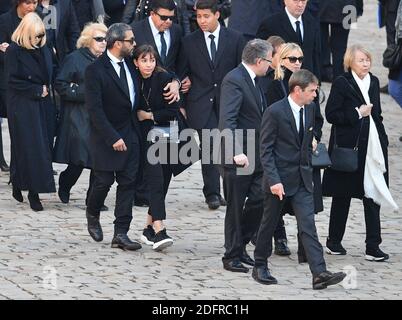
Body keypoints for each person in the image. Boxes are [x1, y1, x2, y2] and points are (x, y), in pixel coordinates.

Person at [255, 69, 346, 289]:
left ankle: (319, 273)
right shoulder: (274, 112)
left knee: (308, 226)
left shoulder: (310, 109)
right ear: (298, 90)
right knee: (268, 225)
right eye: (313, 91)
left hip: (302, 180)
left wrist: (311, 143)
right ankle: (260, 265)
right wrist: (274, 180)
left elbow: (306, 138)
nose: (316, 95)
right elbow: (265, 150)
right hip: (279, 181)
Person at [322, 45, 398, 261]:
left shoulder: (373, 81)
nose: (365, 64)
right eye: (361, 60)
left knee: (372, 196)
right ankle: (334, 242)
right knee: (342, 196)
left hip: (372, 148)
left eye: (367, 60)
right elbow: (331, 115)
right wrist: (357, 113)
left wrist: (382, 139)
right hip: (349, 149)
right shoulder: (342, 83)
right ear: (350, 63)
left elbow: (378, 115)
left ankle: (373, 246)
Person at [177, 0, 245, 210]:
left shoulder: (235, 39)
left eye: (206, 16)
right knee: (210, 145)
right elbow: (181, 72)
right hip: (200, 102)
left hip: (228, 101)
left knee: (229, 145)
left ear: (217, 15)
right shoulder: (189, 41)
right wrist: (182, 99)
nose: (202, 21)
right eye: (198, 17)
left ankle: (230, 191)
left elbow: (241, 70)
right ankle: (212, 193)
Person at [264, 42, 324, 261]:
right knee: (274, 207)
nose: (297, 63)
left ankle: (307, 250)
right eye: (292, 59)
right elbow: (270, 119)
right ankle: (275, 241)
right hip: (281, 153)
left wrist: (314, 135)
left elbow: (317, 116)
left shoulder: (308, 82)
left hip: (304, 155)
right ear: (281, 60)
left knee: (306, 207)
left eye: (300, 59)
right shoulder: (273, 85)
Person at [84, 23, 142, 250]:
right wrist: (112, 137)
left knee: (128, 183)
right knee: (103, 181)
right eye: (131, 40)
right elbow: (94, 110)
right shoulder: (95, 70)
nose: (134, 44)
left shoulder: (131, 64)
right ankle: (92, 211)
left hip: (131, 133)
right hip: (106, 136)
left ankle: (121, 232)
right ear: (118, 43)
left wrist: (175, 82)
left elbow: (158, 70)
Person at [219, 39, 272, 273]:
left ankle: (240, 245)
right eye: (270, 61)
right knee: (235, 206)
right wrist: (236, 152)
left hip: (256, 154)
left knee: (260, 198)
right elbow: (227, 120)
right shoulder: (235, 79)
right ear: (259, 61)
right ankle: (231, 255)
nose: (271, 65)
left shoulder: (254, 80)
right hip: (239, 155)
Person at [134, 44, 191, 251]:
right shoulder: (133, 79)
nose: (148, 65)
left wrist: (148, 115)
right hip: (147, 138)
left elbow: (173, 110)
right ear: (136, 62)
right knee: (156, 180)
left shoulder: (165, 79)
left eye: (152, 60)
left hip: (169, 134)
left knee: (163, 181)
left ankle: (147, 229)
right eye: (144, 60)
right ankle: (159, 230)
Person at [5, 12, 56, 211]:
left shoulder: (43, 48)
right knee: (29, 146)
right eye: (36, 35)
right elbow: (11, 80)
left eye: (41, 35)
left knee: (40, 144)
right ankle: (33, 191)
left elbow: (51, 70)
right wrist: (35, 90)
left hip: (42, 102)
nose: (39, 39)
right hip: (22, 103)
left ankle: (19, 181)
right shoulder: (14, 51)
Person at [53, 23, 107, 205]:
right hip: (78, 115)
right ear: (88, 40)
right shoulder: (74, 58)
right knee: (79, 159)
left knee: (99, 161)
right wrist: (83, 93)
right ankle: (65, 183)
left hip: (101, 117)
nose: (103, 42)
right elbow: (60, 84)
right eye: (99, 39)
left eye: (106, 39)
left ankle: (93, 199)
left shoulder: (108, 60)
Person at [0, 0, 39, 171]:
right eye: (28, 3)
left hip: (31, 81)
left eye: (35, 2)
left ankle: (24, 163)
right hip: (7, 79)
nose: (31, 7)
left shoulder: (36, 19)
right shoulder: (5, 20)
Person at [256, 0, 321, 80]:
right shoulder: (270, 24)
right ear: (285, 1)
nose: (300, 4)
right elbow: (260, 55)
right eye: (296, 1)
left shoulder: (312, 23)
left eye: (303, 1)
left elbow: (315, 55)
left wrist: (317, 82)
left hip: (306, 83)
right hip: (279, 82)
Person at [130, 0, 182, 73]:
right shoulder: (135, 31)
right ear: (152, 14)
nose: (168, 21)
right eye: (164, 17)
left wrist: (177, 80)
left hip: (171, 81)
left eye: (171, 18)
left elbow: (178, 60)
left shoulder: (176, 30)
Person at [319, 0, 363, 82]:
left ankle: (324, 70)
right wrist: (359, 8)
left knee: (320, 41)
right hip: (348, 7)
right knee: (340, 46)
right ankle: (338, 75)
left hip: (320, 5)